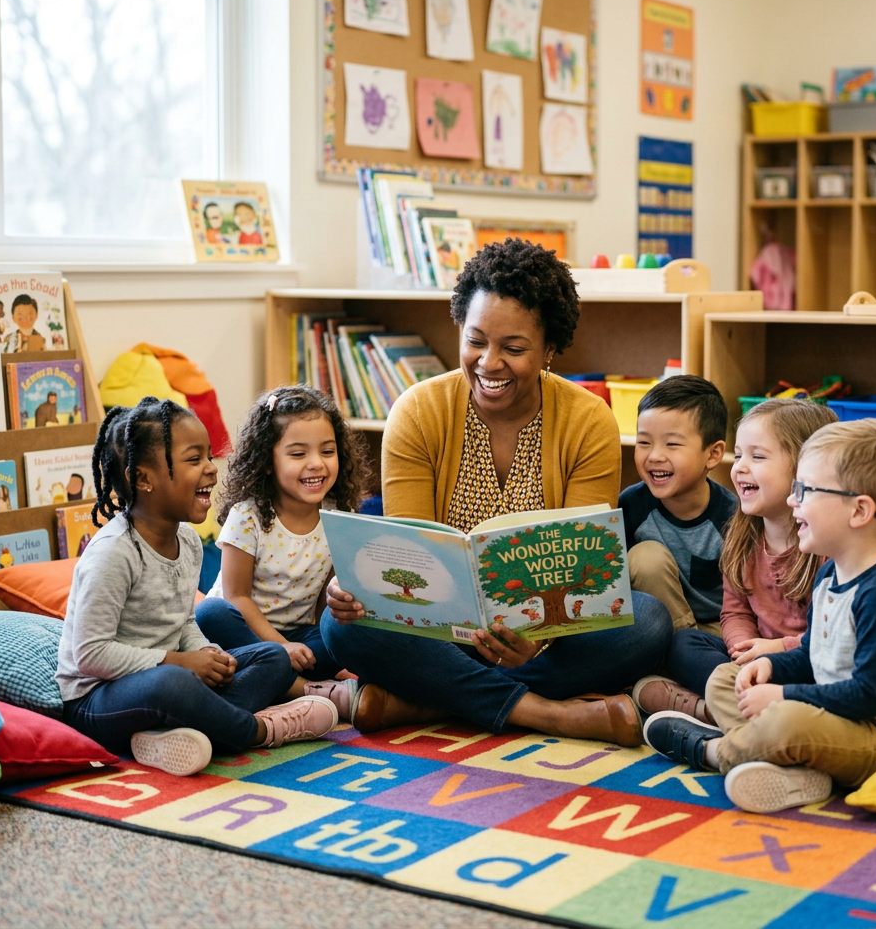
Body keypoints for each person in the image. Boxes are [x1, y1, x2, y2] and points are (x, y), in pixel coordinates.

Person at [321, 239, 673, 747]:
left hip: (545, 638)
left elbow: (583, 568)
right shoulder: (418, 411)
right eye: (476, 340)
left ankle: (420, 701)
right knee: (341, 627)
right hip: (437, 635)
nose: (489, 363)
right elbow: (407, 558)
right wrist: (362, 592)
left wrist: (537, 638)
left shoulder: (588, 419)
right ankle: (547, 714)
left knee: (648, 622)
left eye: (513, 348)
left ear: (550, 348)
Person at [643, 419, 876, 814]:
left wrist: (783, 694)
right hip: (835, 714)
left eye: (806, 491)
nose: (791, 501)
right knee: (724, 680)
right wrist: (770, 666)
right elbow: (811, 658)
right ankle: (793, 769)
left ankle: (714, 751)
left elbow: (870, 696)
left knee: (786, 721)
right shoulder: (831, 572)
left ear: (860, 511)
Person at [56, 396, 338, 777]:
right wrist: (179, 662)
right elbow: (90, 654)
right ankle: (259, 729)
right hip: (99, 701)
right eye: (194, 460)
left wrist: (209, 655)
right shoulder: (113, 553)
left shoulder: (187, 541)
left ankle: (179, 733)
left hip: (173, 678)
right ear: (143, 478)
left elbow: (184, 621)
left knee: (272, 657)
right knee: (172, 683)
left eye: (209, 457)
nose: (211, 469)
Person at [635, 398, 837, 723]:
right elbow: (735, 610)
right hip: (754, 658)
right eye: (739, 454)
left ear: (805, 470)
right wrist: (743, 649)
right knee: (684, 643)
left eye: (757, 456)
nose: (739, 466)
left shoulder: (827, 546)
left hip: (806, 661)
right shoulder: (742, 535)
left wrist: (778, 650)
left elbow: (834, 637)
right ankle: (735, 705)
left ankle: (720, 710)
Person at [196, 386, 369, 721]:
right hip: (241, 635)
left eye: (327, 451)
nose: (316, 464)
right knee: (209, 612)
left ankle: (276, 686)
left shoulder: (337, 516)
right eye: (298, 454)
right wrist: (280, 648)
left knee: (345, 630)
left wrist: (334, 640)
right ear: (266, 462)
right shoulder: (248, 516)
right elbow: (236, 597)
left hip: (300, 638)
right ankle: (304, 691)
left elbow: (324, 600)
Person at [621, 376, 735, 640]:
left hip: (716, 630)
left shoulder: (734, 517)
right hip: (655, 628)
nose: (655, 456)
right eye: (644, 442)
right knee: (647, 556)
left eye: (672, 444)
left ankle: (682, 658)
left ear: (713, 454)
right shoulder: (630, 505)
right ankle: (680, 654)